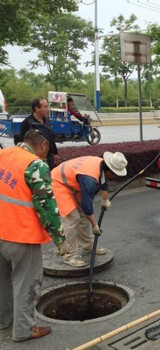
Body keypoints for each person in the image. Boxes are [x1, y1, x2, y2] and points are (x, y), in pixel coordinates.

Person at [0, 128, 67, 342]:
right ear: (44, 145)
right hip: (21, 235)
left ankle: (5, 321)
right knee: (26, 283)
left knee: (2, 281)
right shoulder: (35, 164)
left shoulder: (4, 155)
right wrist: (59, 239)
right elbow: (47, 206)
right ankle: (23, 330)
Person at [51, 152, 128, 267]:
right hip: (59, 183)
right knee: (72, 218)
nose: (116, 177)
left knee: (81, 215)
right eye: (115, 174)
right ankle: (69, 256)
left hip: (73, 183)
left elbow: (104, 182)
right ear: (109, 171)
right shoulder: (90, 179)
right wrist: (94, 225)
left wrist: (105, 199)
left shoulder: (101, 164)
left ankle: (87, 245)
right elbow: (87, 206)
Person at [18, 98, 59, 170]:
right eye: (45, 107)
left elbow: (50, 138)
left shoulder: (46, 120)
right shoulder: (27, 123)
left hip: (48, 156)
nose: (48, 109)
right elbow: (23, 142)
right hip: (34, 158)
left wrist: (55, 153)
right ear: (37, 108)